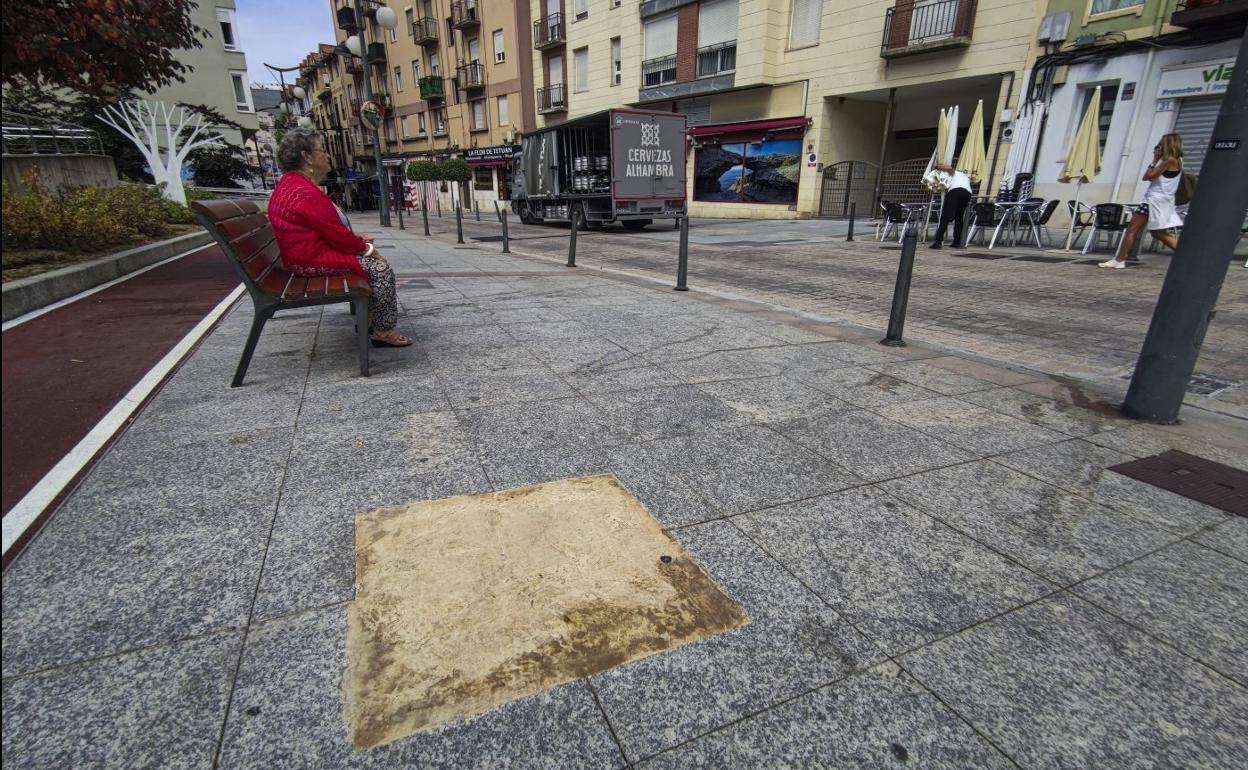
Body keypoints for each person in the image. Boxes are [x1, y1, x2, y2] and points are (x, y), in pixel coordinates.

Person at [268, 128, 411, 346]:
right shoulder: (303, 192)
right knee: (380, 269)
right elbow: (335, 235)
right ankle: (382, 330)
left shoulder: (293, 185)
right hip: (309, 260)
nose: (327, 155)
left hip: (303, 255)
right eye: (322, 150)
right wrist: (368, 249)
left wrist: (356, 240)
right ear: (307, 157)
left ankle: (370, 320)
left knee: (372, 264)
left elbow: (327, 229)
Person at [1100, 133, 1184, 269]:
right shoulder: (1179, 160)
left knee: (1132, 229)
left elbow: (1147, 176)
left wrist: (1154, 160)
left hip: (1153, 200)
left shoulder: (1170, 160)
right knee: (1157, 233)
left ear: (1168, 144)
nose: (1159, 147)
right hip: (1163, 200)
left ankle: (1120, 260)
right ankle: (1186, 254)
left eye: (1161, 144)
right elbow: (1155, 178)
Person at [929, 163, 973, 249]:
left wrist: (937, 167)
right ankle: (957, 242)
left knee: (945, 216)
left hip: (955, 191)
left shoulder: (954, 172)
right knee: (959, 217)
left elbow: (949, 169)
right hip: (967, 194)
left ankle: (938, 242)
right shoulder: (965, 176)